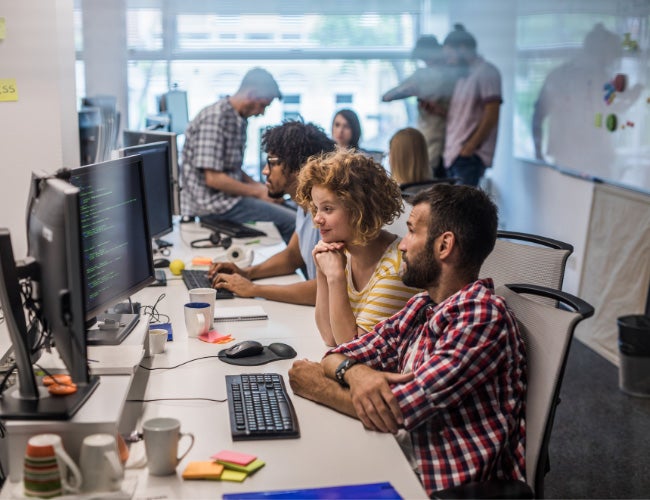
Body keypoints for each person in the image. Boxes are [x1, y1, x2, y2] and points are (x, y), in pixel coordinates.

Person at [288, 184, 527, 496]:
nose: (403, 245)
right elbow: (341, 353)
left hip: (439, 486)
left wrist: (318, 385)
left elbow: (398, 410)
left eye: (412, 232)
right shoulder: (422, 306)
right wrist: (356, 372)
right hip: (398, 453)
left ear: (444, 246)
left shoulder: (481, 317)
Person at [295, 151, 419, 346]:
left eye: (327, 209)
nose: (317, 219)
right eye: (317, 208)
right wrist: (322, 271)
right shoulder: (341, 252)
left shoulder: (396, 268)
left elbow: (354, 348)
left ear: (360, 210)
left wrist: (335, 278)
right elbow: (329, 336)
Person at [208, 121, 336, 305]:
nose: (265, 171)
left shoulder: (327, 218)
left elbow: (326, 289)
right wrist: (247, 273)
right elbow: (292, 257)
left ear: (299, 168)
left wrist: (254, 289)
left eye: (272, 163)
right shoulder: (304, 208)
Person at [180, 67, 296, 243]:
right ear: (252, 94)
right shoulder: (215, 119)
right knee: (292, 222)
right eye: (263, 105)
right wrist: (258, 192)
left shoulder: (238, 120)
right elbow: (214, 178)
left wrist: (265, 190)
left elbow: (233, 169)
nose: (262, 112)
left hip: (230, 199)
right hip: (214, 207)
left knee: (298, 213)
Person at [434, 24, 503, 187]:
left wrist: (469, 148)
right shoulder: (464, 75)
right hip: (455, 155)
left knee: (462, 211)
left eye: (450, 55)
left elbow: (492, 114)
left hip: (468, 157)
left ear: (463, 49)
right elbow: (466, 115)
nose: (449, 61)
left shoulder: (487, 71)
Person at [382, 35, 460, 174]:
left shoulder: (455, 76)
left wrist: (438, 109)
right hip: (429, 140)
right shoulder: (422, 76)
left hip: (451, 143)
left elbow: (461, 114)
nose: (427, 62)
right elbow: (387, 96)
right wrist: (411, 91)